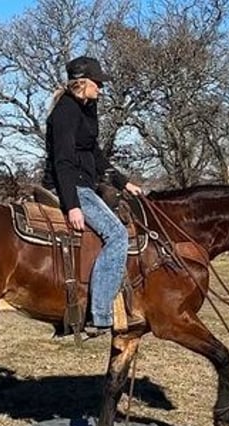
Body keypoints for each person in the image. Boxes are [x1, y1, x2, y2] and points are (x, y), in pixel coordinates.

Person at [42, 55, 143, 333]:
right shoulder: (65, 111)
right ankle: (98, 315)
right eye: (97, 83)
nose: (101, 88)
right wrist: (72, 205)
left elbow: (94, 152)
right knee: (117, 235)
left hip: (84, 183)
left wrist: (123, 182)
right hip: (70, 185)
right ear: (82, 83)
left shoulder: (87, 107)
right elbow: (62, 160)